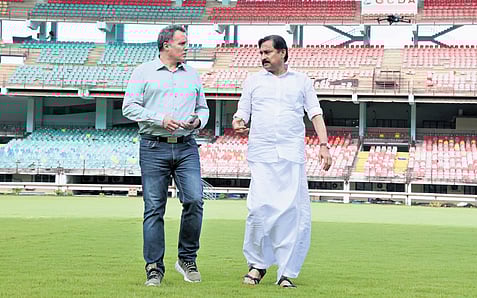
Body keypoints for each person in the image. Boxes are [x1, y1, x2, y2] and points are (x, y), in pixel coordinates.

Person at [232, 35, 332, 288]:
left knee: (292, 214)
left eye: (268, 52)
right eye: (261, 53)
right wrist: (238, 121)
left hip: (291, 154)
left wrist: (323, 145)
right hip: (261, 154)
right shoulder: (253, 81)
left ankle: (286, 272)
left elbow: (315, 113)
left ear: (283, 53)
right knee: (257, 211)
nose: (263, 57)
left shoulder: (302, 81)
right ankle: (257, 265)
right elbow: (243, 110)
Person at [122, 24, 209, 287]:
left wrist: (197, 121)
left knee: (194, 200)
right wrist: (160, 118)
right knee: (154, 209)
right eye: (182, 43)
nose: (187, 48)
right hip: (153, 147)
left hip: (186, 146)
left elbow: (203, 108)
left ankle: (187, 258)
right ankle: (154, 267)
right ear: (166, 45)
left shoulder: (193, 74)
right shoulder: (143, 72)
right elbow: (129, 107)